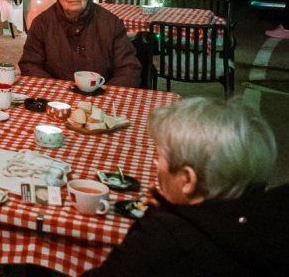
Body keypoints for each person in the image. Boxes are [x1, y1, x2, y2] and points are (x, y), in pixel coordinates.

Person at [82, 97, 287, 277]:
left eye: (160, 157)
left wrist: (155, 223)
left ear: (188, 180)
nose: (156, 165)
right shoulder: (271, 217)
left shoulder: (162, 241)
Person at [18, 0, 141, 87]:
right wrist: (59, 90)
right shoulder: (42, 24)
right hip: (58, 95)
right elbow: (30, 65)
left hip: (100, 94)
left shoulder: (111, 23)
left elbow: (129, 68)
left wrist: (104, 93)